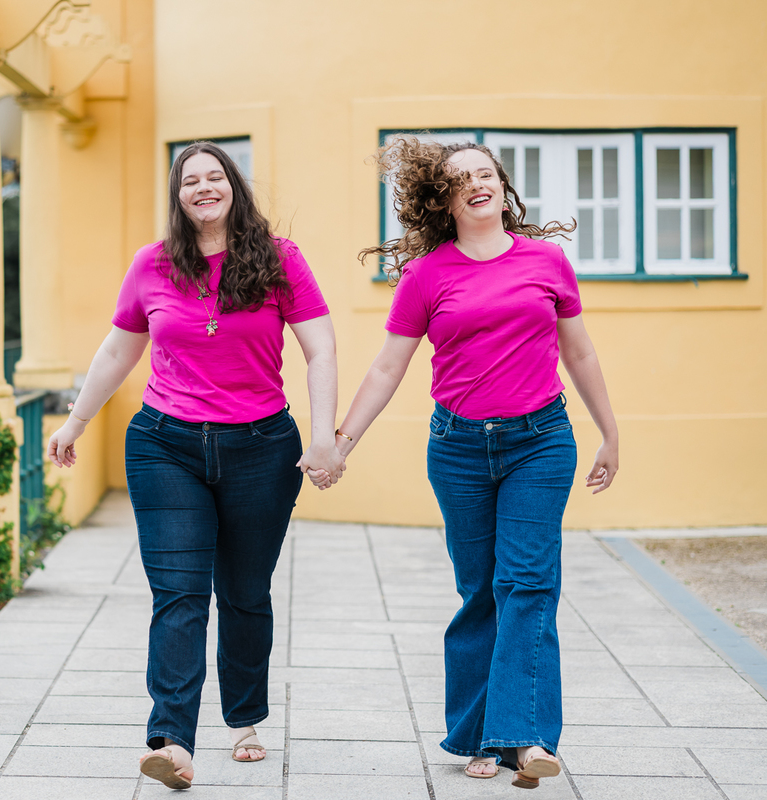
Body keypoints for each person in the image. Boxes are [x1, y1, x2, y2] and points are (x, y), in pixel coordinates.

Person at [46, 141, 342, 789]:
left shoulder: (279, 260)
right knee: (179, 592)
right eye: (190, 181)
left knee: (243, 591)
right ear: (177, 196)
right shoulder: (152, 266)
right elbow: (118, 352)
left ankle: (244, 718)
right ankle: (172, 739)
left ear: (233, 186)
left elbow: (320, 349)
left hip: (262, 448)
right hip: (166, 445)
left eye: (215, 177)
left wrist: (324, 438)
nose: (204, 187)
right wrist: (75, 422)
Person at [330, 136, 619, 789]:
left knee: (527, 585)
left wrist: (610, 433)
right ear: (444, 197)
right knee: (479, 593)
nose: (478, 184)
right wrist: (341, 442)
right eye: (462, 178)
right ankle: (477, 735)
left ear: (501, 185)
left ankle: (526, 739)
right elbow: (387, 366)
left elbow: (582, 355)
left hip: (540, 439)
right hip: (458, 449)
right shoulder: (427, 276)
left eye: (486, 173)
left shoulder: (546, 262)